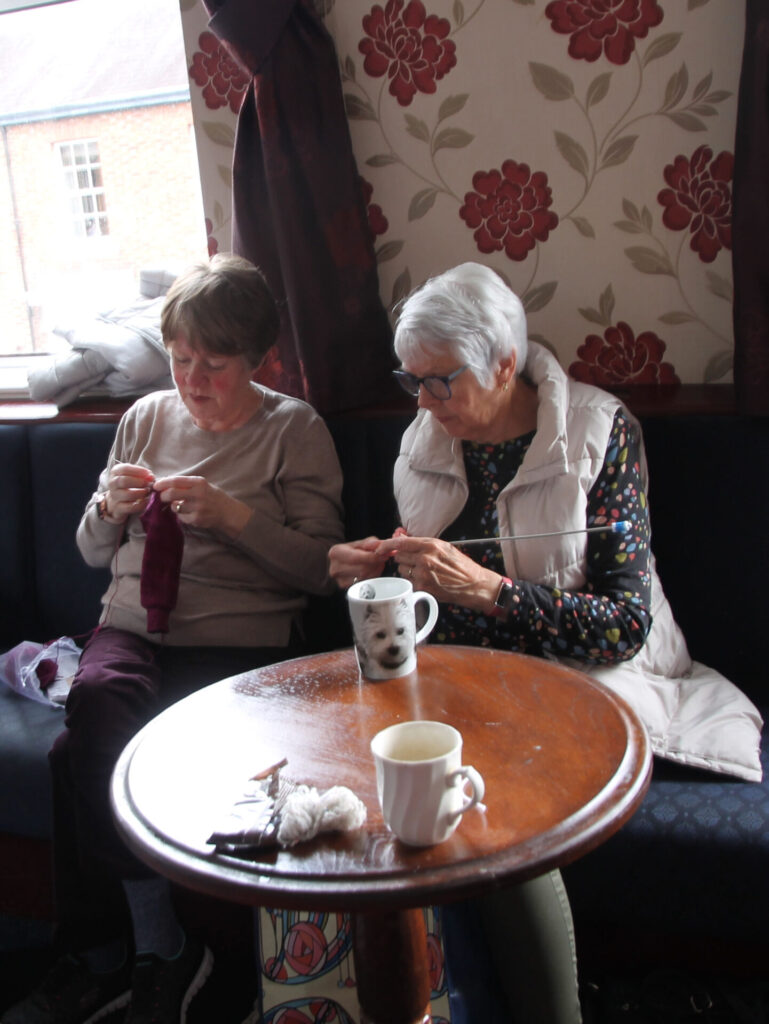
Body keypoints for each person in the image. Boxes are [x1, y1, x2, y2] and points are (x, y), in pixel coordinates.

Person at [327, 261, 685, 1023]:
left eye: (439, 381)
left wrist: (492, 592)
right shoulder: (424, 438)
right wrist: (378, 566)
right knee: (367, 784)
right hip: (459, 680)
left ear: (502, 364)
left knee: (479, 813)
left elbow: (624, 626)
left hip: (581, 679)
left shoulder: (599, 432)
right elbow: (428, 586)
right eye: (411, 380)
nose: (422, 402)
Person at [3, 254, 344, 1024]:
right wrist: (106, 508)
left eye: (213, 365)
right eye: (180, 359)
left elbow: (322, 570)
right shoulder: (145, 419)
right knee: (97, 699)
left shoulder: (294, 430)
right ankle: (161, 946)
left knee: (75, 755)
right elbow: (92, 551)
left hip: (240, 641)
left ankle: (110, 956)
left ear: (259, 360)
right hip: (131, 627)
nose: (192, 380)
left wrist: (234, 518)